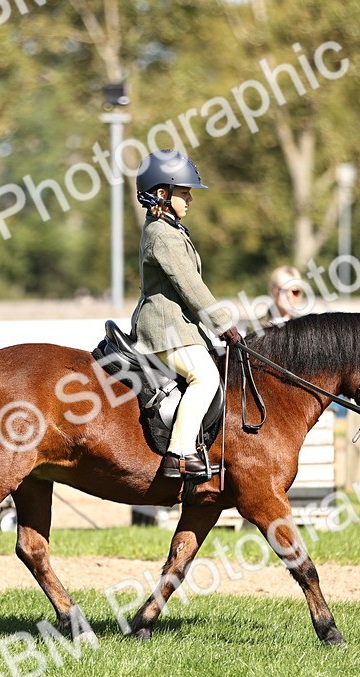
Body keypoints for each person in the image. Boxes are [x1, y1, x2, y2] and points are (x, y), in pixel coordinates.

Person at [130, 149, 243, 482]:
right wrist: (223, 325)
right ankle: (179, 454)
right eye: (184, 191)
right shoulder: (163, 235)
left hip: (178, 328)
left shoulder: (170, 229)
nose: (190, 198)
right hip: (165, 329)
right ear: (162, 194)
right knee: (204, 378)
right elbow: (190, 286)